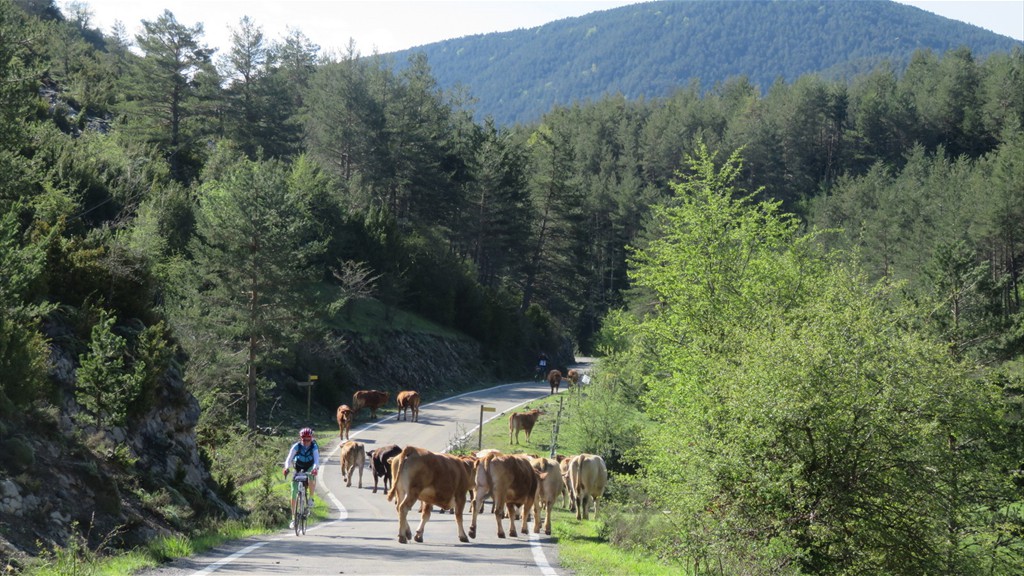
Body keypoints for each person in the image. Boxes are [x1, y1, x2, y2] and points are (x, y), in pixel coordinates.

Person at [283, 427, 320, 529]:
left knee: (312, 477)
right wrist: (286, 468)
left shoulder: (314, 446)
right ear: (301, 438)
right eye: (304, 439)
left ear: (311, 438)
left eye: (308, 439)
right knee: (293, 492)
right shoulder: (296, 446)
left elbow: (316, 460)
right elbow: (288, 459)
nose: (306, 442)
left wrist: (315, 468)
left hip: (309, 466)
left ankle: (311, 499)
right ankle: (293, 518)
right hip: (298, 467)